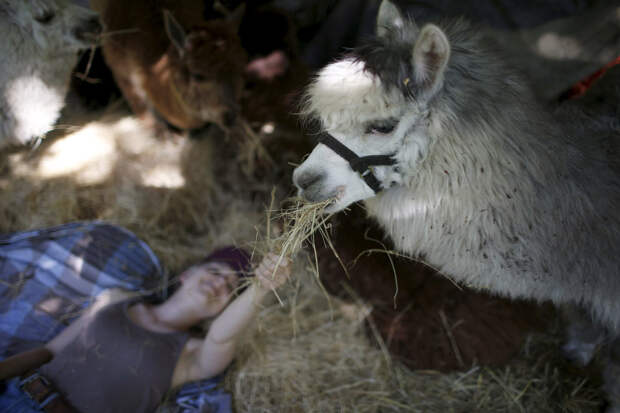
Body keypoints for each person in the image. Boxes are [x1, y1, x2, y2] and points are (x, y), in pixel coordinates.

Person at [0, 232, 291, 413]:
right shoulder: (116, 298)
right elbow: (49, 351)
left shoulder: (194, 354)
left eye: (231, 286)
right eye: (215, 270)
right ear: (188, 273)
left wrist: (260, 289)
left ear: (227, 307)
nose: (219, 282)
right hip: (15, 394)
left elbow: (222, 337)